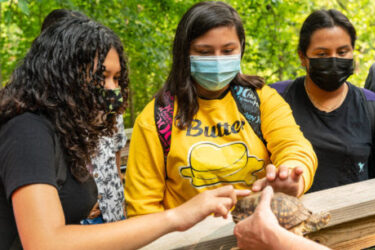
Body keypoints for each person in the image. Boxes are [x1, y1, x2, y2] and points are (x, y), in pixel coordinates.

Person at [0, 15, 250, 249]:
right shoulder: (27, 130)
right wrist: (177, 216)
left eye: (116, 78)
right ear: (61, 74)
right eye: (101, 77)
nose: (112, 89)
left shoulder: (66, 132)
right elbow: (46, 242)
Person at [124, 1, 317, 218]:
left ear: (241, 49)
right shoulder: (156, 118)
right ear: (184, 53)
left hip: (261, 230)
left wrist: (291, 175)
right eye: (204, 52)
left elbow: (294, 146)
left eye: (227, 50)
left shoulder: (261, 99)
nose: (217, 60)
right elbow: (142, 206)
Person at [270, 9, 375, 192]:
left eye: (342, 52)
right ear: (302, 57)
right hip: (288, 214)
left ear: (352, 52)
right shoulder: (274, 98)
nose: (333, 60)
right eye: (322, 54)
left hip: (356, 214)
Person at [41, 8, 128, 224]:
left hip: (113, 209)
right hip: (77, 220)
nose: (111, 85)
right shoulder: (43, 114)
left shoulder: (109, 100)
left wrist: (117, 191)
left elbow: (115, 150)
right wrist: (80, 204)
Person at [234, 186, 330, 250]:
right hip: (249, 211)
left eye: (323, 218)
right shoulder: (298, 228)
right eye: (324, 218)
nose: (326, 218)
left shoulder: (300, 224)